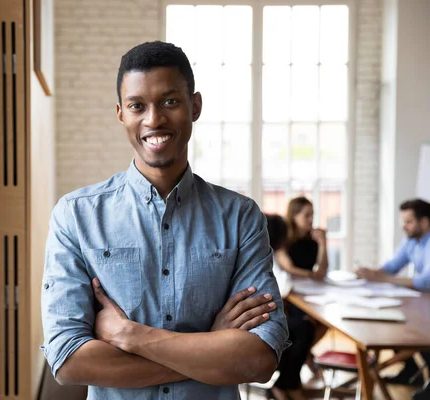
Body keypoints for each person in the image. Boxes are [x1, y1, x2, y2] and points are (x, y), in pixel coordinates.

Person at [40, 41, 289, 399]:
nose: (153, 119)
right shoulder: (76, 215)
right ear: (121, 113)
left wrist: (130, 336)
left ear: (195, 106)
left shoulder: (240, 216)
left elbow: (260, 358)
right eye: (137, 106)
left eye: (170, 101)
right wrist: (209, 347)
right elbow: (69, 361)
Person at [356, 199, 430, 389]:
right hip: (424, 301)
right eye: (403, 222)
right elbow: (392, 267)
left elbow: (425, 281)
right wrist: (372, 274)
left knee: (417, 329)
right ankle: (411, 370)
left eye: (408, 222)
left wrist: (381, 279)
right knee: (395, 318)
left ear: (425, 222)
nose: (404, 227)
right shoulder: (412, 241)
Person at [275, 197, 328, 375]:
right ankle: (301, 357)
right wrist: (312, 275)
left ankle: (303, 353)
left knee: (324, 322)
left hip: (310, 291)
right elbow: (288, 267)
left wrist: (323, 244)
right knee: (308, 323)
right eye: (307, 215)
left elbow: (322, 269)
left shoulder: (311, 241)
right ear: (294, 216)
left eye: (312, 215)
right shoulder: (282, 239)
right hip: (289, 294)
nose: (311, 220)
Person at [265, 214, 315, 400]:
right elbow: (283, 285)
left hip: (267, 311)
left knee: (302, 327)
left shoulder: (268, 252)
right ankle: (289, 384)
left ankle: (284, 385)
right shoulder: (263, 254)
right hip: (259, 317)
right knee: (304, 328)